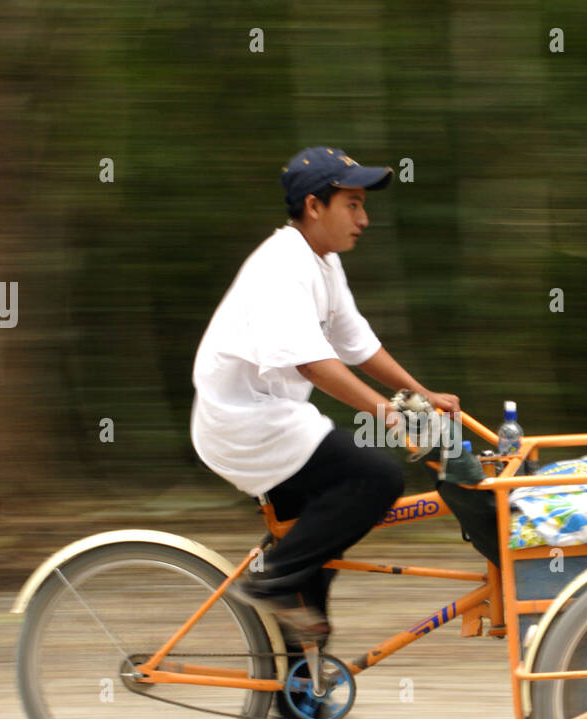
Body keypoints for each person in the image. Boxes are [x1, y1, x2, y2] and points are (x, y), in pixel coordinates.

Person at [191, 146, 460, 669]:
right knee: (377, 479)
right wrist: (387, 413)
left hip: (272, 419)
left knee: (315, 547)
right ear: (314, 206)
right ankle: (271, 581)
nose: (364, 219)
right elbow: (315, 364)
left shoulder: (322, 262)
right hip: (245, 423)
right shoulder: (281, 266)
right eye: (353, 204)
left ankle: (299, 689)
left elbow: (356, 344)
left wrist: (418, 392)